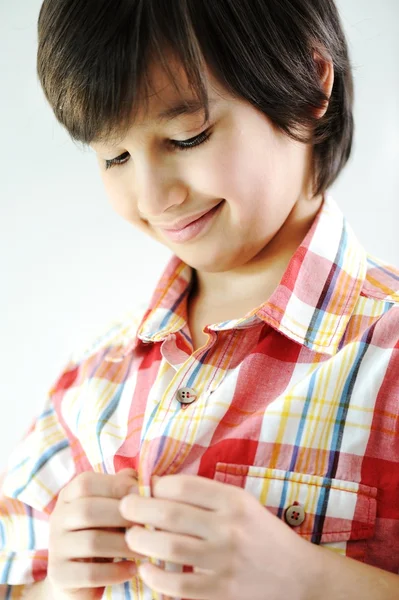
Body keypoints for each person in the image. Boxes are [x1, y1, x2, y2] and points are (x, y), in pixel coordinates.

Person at [1, 0, 398, 598]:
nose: (154, 195)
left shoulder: (387, 352)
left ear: (308, 83)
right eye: (115, 155)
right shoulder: (91, 381)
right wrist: (60, 585)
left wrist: (311, 583)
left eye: (189, 137)